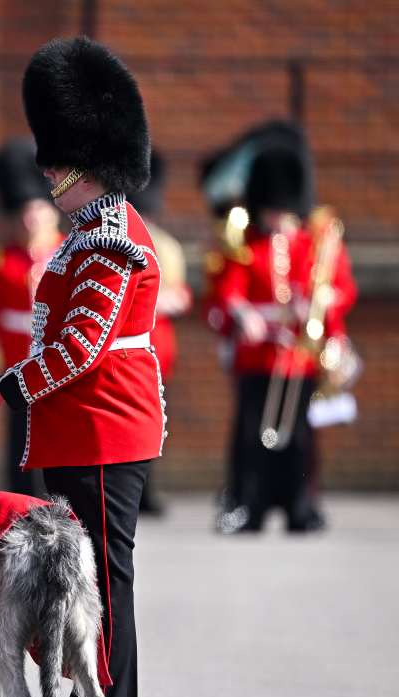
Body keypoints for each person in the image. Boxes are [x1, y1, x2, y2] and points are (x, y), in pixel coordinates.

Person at [0, 36, 163, 697]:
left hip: (104, 429)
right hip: (83, 430)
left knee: (97, 589)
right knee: (78, 589)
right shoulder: (89, 234)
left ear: (89, 161)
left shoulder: (111, 243)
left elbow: (79, 348)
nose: (47, 174)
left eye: (58, 162)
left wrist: (3, 391)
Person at [205, 140, 356, 534]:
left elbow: (342, 289)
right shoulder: (246, 247)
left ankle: (301, 506)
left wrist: (322, 304)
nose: (276, 218)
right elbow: (227, 291)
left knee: (301, 439)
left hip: (300, 357)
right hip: (257, 356)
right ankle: (247, 506)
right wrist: (244, 314)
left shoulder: (314, 246)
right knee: (249, 436)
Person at [0, 138, 61, 496]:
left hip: (56, 357)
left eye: (37, 211)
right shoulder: (3, 260)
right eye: (25, 212)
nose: (30, 220)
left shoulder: (66, 253)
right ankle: (20, 494)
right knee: (19, 431)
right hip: (16, 356)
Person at [127, 149, 191, 515]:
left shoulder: (166, 245)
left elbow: (180, 296)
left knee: (153, 424)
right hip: (131, 344)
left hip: (157, 344)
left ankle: (146, 491)